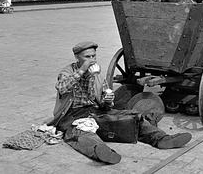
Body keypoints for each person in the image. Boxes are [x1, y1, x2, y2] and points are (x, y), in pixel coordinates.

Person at [49, 41, 192, 164]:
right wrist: (82, 70)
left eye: (93, 56)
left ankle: (161, 139)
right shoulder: (68, 71)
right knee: (81, 132)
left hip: (94, 111)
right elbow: (62, 87)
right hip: (72, 115)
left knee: (133, 117)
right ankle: (101, 151)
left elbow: (105, 101)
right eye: (87, 57)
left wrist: (107, 101)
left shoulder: (96, 75)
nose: (91, 60)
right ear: (77, 57)